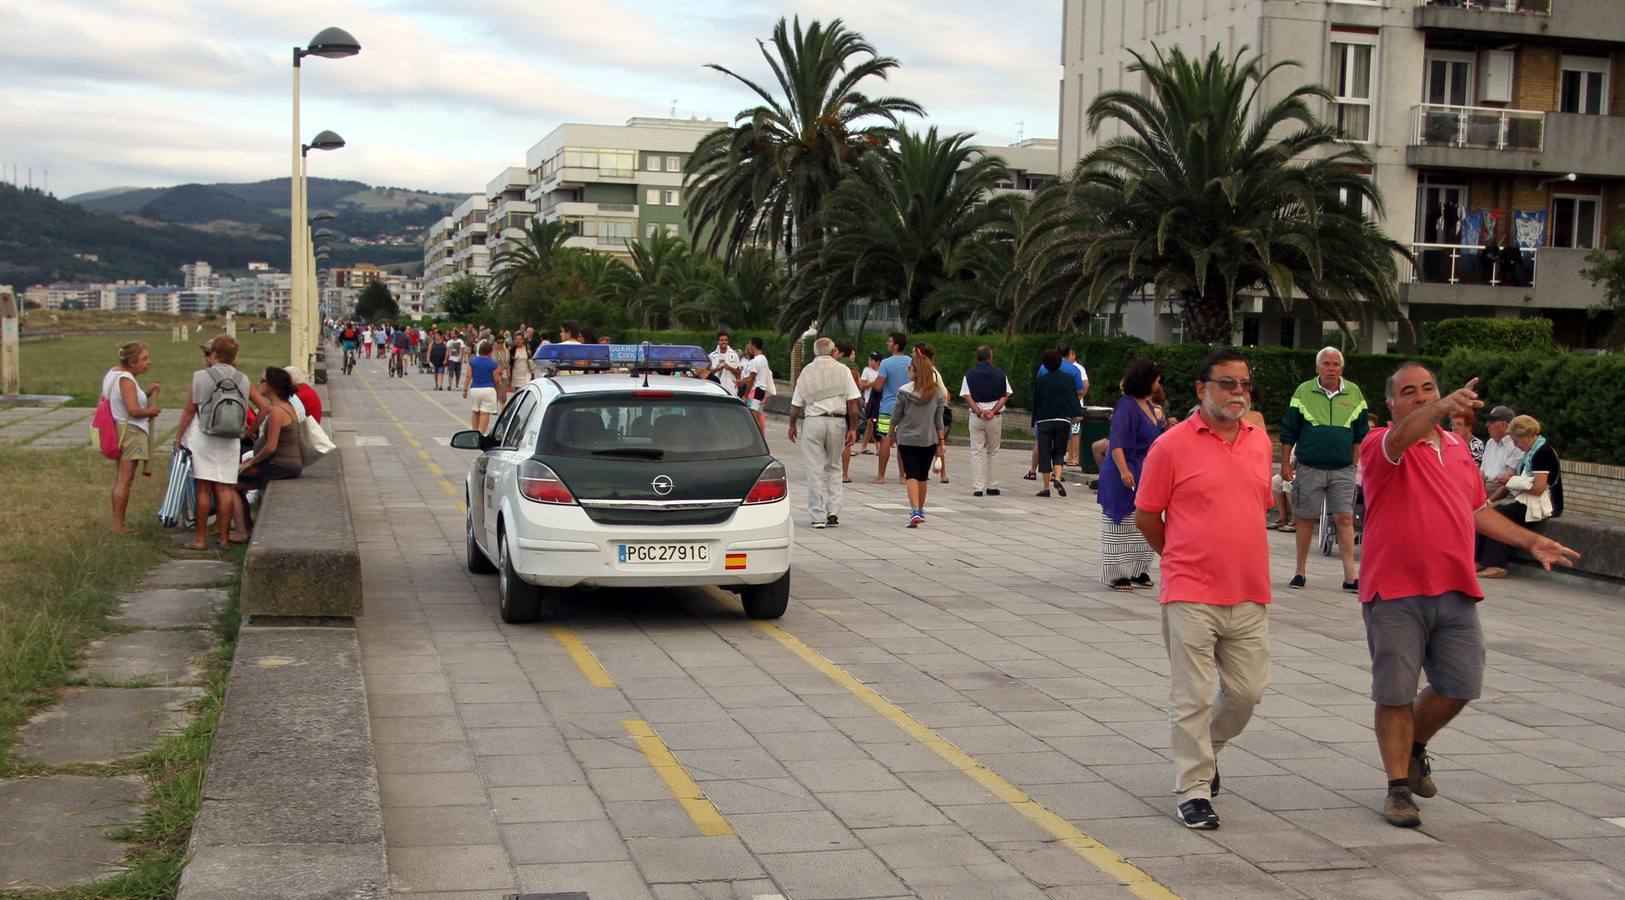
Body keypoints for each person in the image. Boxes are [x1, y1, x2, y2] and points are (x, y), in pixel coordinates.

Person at [1358, 364, 1577, 828]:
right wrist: (1437, 408)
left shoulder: (1458, 448)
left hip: (1455, 587)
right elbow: (1404, 436)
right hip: (1394, 588)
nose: (1421, 398)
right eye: (1409, 393)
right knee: (1394, 693)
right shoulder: (1382, 443)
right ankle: (1398, 788)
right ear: (1392, 405)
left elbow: (1476, 509)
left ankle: (1413, 748)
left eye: (1429, 389)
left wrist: (1531, 541)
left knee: (1460, 684)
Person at [1133, 348, 1273, 830]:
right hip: (1191, 591)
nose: (1238, 392)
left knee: (1248, 693)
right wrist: (1177, 556)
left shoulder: (1259, 442)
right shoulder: (1171, 446)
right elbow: (1146, 514)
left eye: (1244, 384)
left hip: (1250, 590)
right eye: (1227, 383)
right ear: (1201, 388)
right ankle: (1193, 789)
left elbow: (1256, 506)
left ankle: (1206, 752)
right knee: (1191, 696)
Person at [1280, 346, 1370, 592]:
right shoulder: (1303, 391)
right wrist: (1286, 463)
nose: (1331, 368)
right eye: (1326, 364)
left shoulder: (1354, 393)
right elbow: (1289, 430)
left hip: (1342, 469)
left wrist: (1354, 463)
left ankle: (1350, 576)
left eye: (1335, 364)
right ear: (1317, 367)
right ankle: (1300, 571)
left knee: (1344, 517)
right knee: (1305, 518)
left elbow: (1361, 432)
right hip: (1310, 466)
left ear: (1342, 367)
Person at [175, 336, 267, 550]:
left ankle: (199, 539)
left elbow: (190, 410)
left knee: (203, 488)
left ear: (214, 354)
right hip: (231, 439)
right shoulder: (242, 379)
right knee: (225, 487)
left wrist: (179, 436)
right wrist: (249, 432)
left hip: (204, 436)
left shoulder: (200, 377)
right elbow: (264, 407)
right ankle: (225, 538)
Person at [1098, 359, 1163, 590]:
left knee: (1141, 523)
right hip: (1123, 471)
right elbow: (1117, 443)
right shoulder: (1125, 406)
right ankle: (1117, 574)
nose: (1158, 384)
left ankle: (1139, 569)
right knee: (1119, 523)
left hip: (1144, 472)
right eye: (1156, 379)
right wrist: (1124, 470)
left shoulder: (1147, 404)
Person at [1475, 414, 1563, 579]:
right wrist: (1489, 501)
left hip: (1546, 503)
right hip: (1527, 500)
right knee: (1486, 513)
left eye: (1516, 441)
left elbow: (1538, 488)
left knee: (1501, 516)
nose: (1516, 445)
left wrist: (1512, 481)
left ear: (1527, 435)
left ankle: (1497, 564)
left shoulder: (1543, 452)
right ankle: (1479, 560)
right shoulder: (1531, 450)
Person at [787, 338, 862, 529]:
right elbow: (853, 404)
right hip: (837, 421)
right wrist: (853, 428)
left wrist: (792, 424)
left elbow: (796, 405)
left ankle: (818, 515)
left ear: (815, 351)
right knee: (834, 466)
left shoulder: (806, 371)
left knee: (814, 469)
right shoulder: (843, 370)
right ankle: (834, 510)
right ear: (833, 350)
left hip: (813, 422)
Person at [234, 367, 304, 532]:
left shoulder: (276, 412)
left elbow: (271, 447)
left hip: (279, 466)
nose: (259, 384)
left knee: (231, 485)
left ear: (271, 386)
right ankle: (246, 527)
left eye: (262, 381)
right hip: (287, 465)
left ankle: (243, 530)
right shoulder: (287, 406)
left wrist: (250, 462)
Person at [104, 341, 162, 533]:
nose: (148, 362)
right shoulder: (127, 379)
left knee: (120, 478)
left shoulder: (114, 374)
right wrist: (150, 410)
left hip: (119, 429)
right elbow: (134, 410)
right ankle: (118, 524)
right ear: (131, 362)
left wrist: (146, 393)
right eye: (144, 359)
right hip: (131, 432)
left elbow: (123, 400)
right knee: (125, 479)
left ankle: (117, 521)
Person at [890, 355, 947, 527]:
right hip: (928, 439)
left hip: (907, 438)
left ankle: (914, 510)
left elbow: (896, 415)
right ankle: (920, 510)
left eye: (910, 368)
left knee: (911, 475)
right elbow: (939, 420)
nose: (908, 370)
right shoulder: (937, 393)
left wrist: (890, 431)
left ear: (916, 371)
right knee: (922, 476)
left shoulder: (903, 391)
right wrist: (941, 441)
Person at [1025, 343, 1088, 480]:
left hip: (1045, 413)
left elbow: (1038, 390)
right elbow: (1081, 389)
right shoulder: (1073, 370)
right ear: (1069, 354)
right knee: (1060, 446)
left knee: (1041, 443)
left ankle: (1033, 471)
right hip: (1064, 413)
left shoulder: (1043, 368)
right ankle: (1057, 474)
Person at [959, 345, 1013, 498]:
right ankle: (992, 486)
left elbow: (966, 396)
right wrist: (993, 411)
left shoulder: (969, 375)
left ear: (977, 358)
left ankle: (978, 487)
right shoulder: (1000, 374)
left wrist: (979, 412)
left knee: (976, 452)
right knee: (993, 451)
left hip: (977, 417)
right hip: (994, 417)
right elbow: (1005, 395)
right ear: (991, 357)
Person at [870, 333, 913, 484]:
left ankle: (881, 476)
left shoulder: (886, 363)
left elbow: (878, 386)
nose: (887, 344)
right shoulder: (911, 361)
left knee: (885, 440)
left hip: (888, 407)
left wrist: (876, 381)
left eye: (889, 341)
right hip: (907, 408)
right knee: (902, 442)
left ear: (896, 345)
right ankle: (903, 476)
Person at [832, 340, 862, 483]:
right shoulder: (854, 368)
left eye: (835, 351)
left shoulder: (834, 366)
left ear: (841, 352)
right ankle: (844, 474)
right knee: (847, 443)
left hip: (835, 407)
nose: (833, 353)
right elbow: (856, 390)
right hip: (850, 408)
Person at [1478, 405, 1522, 493]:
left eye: (1491, 422)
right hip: (1484, 488)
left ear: (1504, 425)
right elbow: (1481, 474)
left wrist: (1488, 502)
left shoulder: (1516, 445)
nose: (1487, 425)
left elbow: (1508, 483)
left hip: (1502, 491)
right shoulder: (1490, 443)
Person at [465, 340, 504, 433]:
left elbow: (468, 376)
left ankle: (474, 432)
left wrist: (465, 389)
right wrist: (498, 391)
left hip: (475, 389)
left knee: (475, 411)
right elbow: (496, 379)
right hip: (488, 389)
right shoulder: (492, 363)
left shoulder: (472, 362)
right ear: (490, 352)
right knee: (485, 413)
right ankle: (481, 433)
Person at [741, 337, 774, 435]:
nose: (749, 347)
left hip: (755, 391)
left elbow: (752, 379)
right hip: (761, 391)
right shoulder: (763, 358)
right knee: (759, 416)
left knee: (753, 416)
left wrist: (746, 395)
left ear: (753, 345)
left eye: (750, 344)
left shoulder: (756, 361)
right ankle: (761, 437)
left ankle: (757, 437)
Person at [858, 352, 881, 455]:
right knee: (872, 423)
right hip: (869, 400)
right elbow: (862, 385)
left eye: (871, 360)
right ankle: (878, 447)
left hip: (879, 400)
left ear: (877, 362)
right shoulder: (866, 371)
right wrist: (873, 383)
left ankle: (864, 446)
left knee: (870, 425)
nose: (869, 362)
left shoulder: (882, 371)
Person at [708, 331, 743, 395]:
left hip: (730, 389)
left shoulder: (734, 355)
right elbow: (708, 373)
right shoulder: (712, 355)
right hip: (715, 389)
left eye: (726, 340)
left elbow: (739, 373)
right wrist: (717, 369)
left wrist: (729, 368)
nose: (724, 342)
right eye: (722, 340)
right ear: (718, 342)